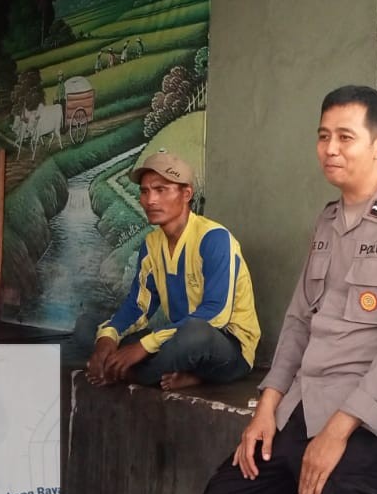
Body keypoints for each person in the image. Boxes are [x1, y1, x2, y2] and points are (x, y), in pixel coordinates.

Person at [194, 85, 377, 494]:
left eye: (345, 137)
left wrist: (337, 431)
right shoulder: (327, 222)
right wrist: (266, 408)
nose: (330, 148)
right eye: (323, 136)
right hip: (302, 404)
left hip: (370, 418)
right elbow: (298, 321)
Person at [85, 152, 260, 391]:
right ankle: (174, 374)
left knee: (195, 335)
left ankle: (131, 375)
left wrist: (145, 346)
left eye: (161, 190)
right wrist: (107, 338)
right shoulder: (151, 245)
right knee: (103, 335)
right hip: (178, 340)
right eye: (145, 191)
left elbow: (215, 315)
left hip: (227, 348)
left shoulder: (214, 239)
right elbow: (137, 307)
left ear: (186, 194)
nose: (150, 200)